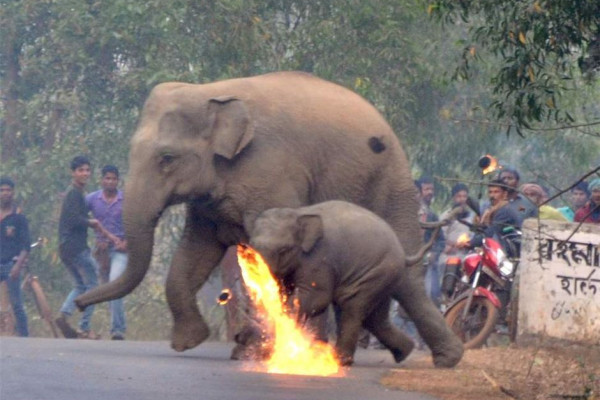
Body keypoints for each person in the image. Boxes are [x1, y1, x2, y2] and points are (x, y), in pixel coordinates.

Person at [55, 155, 117, 339]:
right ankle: (84, 327)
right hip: (76, 248)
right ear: (73, 173)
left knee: (81, 284)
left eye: (87, 170)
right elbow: (74, 220)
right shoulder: (74, 193)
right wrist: (92, 222)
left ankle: (64, 315)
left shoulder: (76, 193)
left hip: (66, 249)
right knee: (93, 286)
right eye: (81, 170)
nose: (85, 173)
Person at [86, 165, 128, 340]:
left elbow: (137, 222)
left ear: (118, 181)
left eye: (113, 179)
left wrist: (127, 242)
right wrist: (93, 225)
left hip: (120, 251)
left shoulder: (126, 199)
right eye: (107, 178)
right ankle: (83, 327)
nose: (110, 182)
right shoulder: (91, 199)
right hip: (100, 251)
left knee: (114, 284)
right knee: (90, 284)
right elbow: (77, 217)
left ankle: (117, 330)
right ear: (102, 180)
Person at [0, 177, 31, 337]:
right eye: (2, 190)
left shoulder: (18, 218)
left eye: (8, 190)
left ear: (13, 193)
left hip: (11, 265)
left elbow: (26, 246)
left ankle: (25, 339)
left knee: (17, 305)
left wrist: (17, 266)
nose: (5, 193)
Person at [415, 176, 445, 306]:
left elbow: (441, 240)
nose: (430, 192)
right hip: (407, 261)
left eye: (431, 189)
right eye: (426, 189)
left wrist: (435, 253)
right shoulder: (404, 213)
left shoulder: (431, 215)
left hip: (426, 262)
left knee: (431, 295)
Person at [439, 183, 476, 266]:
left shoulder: (472, 217)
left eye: (464, 196)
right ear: (453, 198)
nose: (462, 199)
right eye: (459, 196)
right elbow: (440, 238)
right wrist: (453, 245)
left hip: (467, 258)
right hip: (448, 258)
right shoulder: (446, 216)